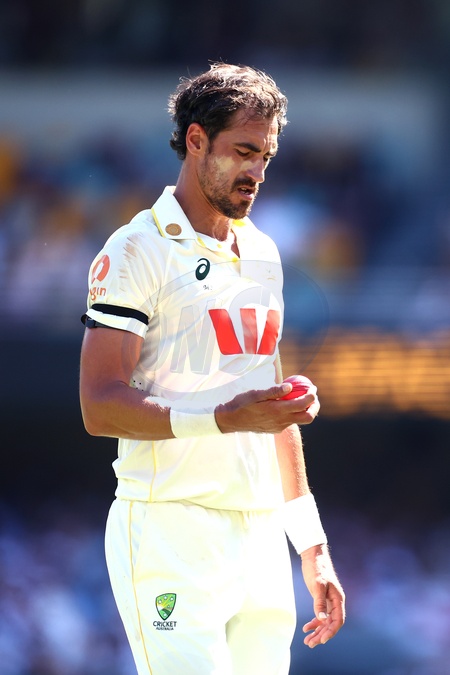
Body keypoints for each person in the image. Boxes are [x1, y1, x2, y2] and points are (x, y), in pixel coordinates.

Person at [79, 62, 345, 675]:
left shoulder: (263, 251)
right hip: (169, 527)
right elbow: (98, 406)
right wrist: (224, 417)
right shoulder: (135, 249)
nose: (257, 172)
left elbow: (269, 410)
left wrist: (311, 544)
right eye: (243, 151)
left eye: (266, 157)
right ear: (196, 140)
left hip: (260, 535)